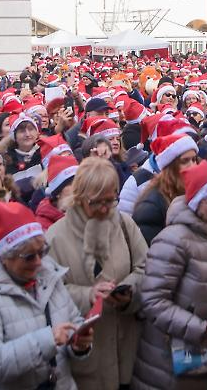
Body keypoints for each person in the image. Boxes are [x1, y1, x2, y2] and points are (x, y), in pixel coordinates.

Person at [0, 200, 94, 389]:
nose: (39, 262)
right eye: (29, 256)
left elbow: (72, 320)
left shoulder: (50, 278)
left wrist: (79, 345)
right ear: (6, 256)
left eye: (42, 252)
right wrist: (47, 341)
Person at [132, 161, 207, 390]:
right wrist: (199, 328)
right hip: (169, 364)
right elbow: (152, 300)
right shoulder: (173, 240)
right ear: (195, 203)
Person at [45, 157, 146, 390]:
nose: (104, 209)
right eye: (96, 202)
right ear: (79, 198)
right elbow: (49, 294)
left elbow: (145, 268)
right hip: (86, 362)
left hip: (128, 352)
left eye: (110, 201)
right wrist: (88, 295)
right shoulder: (55, 237)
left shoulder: (125, 225)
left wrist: (129, 291)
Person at [132, 128, 199, 244]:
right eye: (185, 161)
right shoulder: (152, 204)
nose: (193, 166)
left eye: (194, 159)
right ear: (171, 166)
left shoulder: (195, 190)